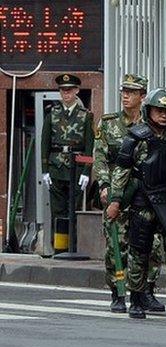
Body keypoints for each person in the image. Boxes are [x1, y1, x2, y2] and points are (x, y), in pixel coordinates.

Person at [106, 88, 166, 320]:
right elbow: (121, 171)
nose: (164, 115)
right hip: (143, 201)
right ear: (149, 110)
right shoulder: (135, 137)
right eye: (159, 110)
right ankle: (137, 298)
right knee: (140, 251)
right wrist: (115, 200)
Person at [93, 74, 166, 313]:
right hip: (118, 192)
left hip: (145, 193)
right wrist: (104, 185)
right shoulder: (109, 123)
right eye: (124, 91)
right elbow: (101, 157)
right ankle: (118, 292)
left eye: (132, 92)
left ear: (143, 97)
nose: (125, 95)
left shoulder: (152, 124)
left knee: (152, 245)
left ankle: (145, 291)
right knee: (118, 244)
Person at [41, 74, 94, 243]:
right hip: (56, 167)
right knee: (58, 211)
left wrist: (86, 171)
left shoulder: (85, 115)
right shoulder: (52, 113)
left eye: (69, 90)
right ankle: (59, 248)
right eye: (63, 90)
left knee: (74, 210)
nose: (66, 94)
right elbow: (45, 143)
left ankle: (73, 245)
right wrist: (45, 170)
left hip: (77, 168)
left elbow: (89, 146)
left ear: (76, 91)